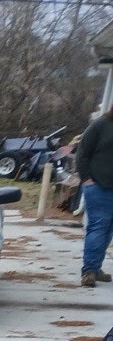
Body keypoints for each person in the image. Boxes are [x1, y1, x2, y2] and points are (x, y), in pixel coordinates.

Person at [77, 105, 113, 287]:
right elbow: (82, 154)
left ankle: (96, 267)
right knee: (98, 228)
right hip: (99, 187)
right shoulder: (101, 125)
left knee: (108, 232)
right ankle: (89, 271)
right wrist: (86, 180)